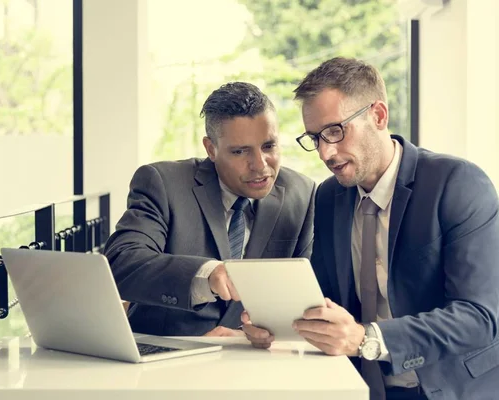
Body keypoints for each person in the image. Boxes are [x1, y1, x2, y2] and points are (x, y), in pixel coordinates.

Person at [242, 57, 499, 400]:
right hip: (359, 387)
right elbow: (327, 298)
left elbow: (480, 317)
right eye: (315, 138)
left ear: (378, 115)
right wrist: (274, 321)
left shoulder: (457, 183)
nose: (325, 153)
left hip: (448, 388)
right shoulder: (331, 195)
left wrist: (368, 339)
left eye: (335, 131)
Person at [104, 82, 316, 337]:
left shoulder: (302, 193)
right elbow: (122, 263)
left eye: (269, 146)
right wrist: (208, 275)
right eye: (240, 151)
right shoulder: (163, 183)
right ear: (211, 149)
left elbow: (308, 299)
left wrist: (262, 334)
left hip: (255, 360)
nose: (260, 165)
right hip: (168, 356)